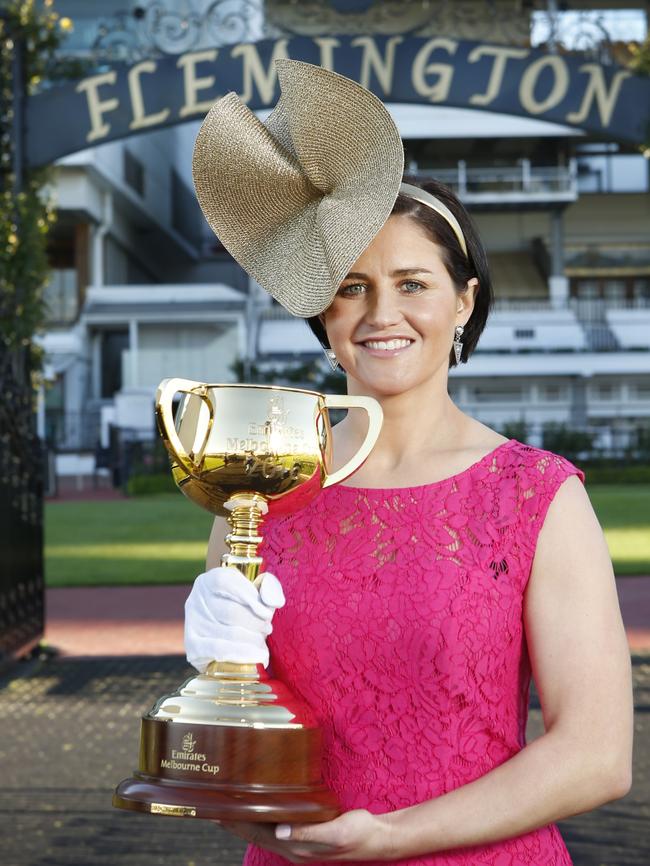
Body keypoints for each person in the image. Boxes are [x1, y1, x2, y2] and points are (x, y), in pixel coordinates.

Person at [185, 60, 633, 865]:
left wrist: (389, 838)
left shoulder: (538, 496)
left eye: (412, 283)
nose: (381, 314)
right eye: (352, 288)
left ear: (462, 302)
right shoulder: (258, 494)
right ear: (323, 309)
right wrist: (227, 770)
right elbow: (233, 740)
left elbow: (599, 755)